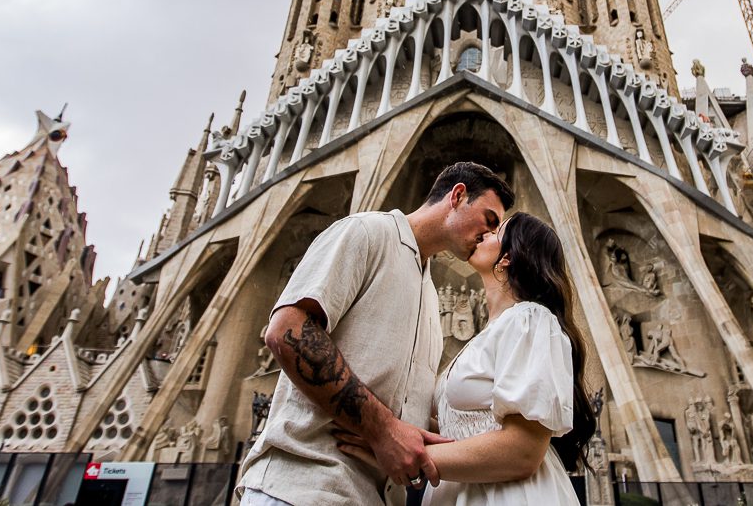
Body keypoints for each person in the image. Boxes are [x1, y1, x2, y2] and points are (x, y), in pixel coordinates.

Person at [238, 162, 515, 506]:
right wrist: (383, 430)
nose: (489, 237)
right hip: (306, 487)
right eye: (488, 221)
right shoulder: (367, 233)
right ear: (457, 196)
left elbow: (409, 404)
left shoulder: (429, 294)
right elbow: (288, 330)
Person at [338, 212, 597, 505]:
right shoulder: (488, 336)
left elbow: (523, 452)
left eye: (495, 231)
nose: (484, 233)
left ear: (508, 257)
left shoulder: (530, 319)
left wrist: (408, 455)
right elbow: (463, 428)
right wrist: (386, 434)